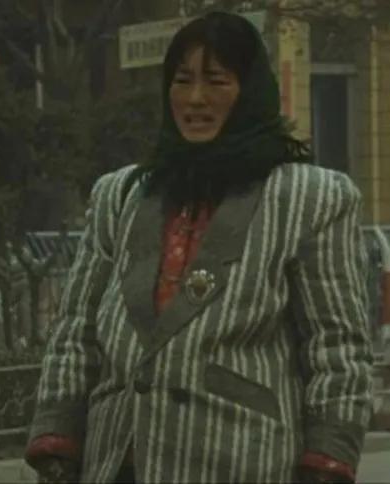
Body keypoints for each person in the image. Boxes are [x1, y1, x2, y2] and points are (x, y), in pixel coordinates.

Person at [25, 12, 373, 484]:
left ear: (249, 91)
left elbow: (337, 349)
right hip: (120, 463)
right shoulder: (120, 195)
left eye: (217, 81)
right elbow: (76, 330)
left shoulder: (311, 199)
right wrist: (57, 438)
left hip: (244, 463)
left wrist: (327, 460)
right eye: (182, 80)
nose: (195, 98)